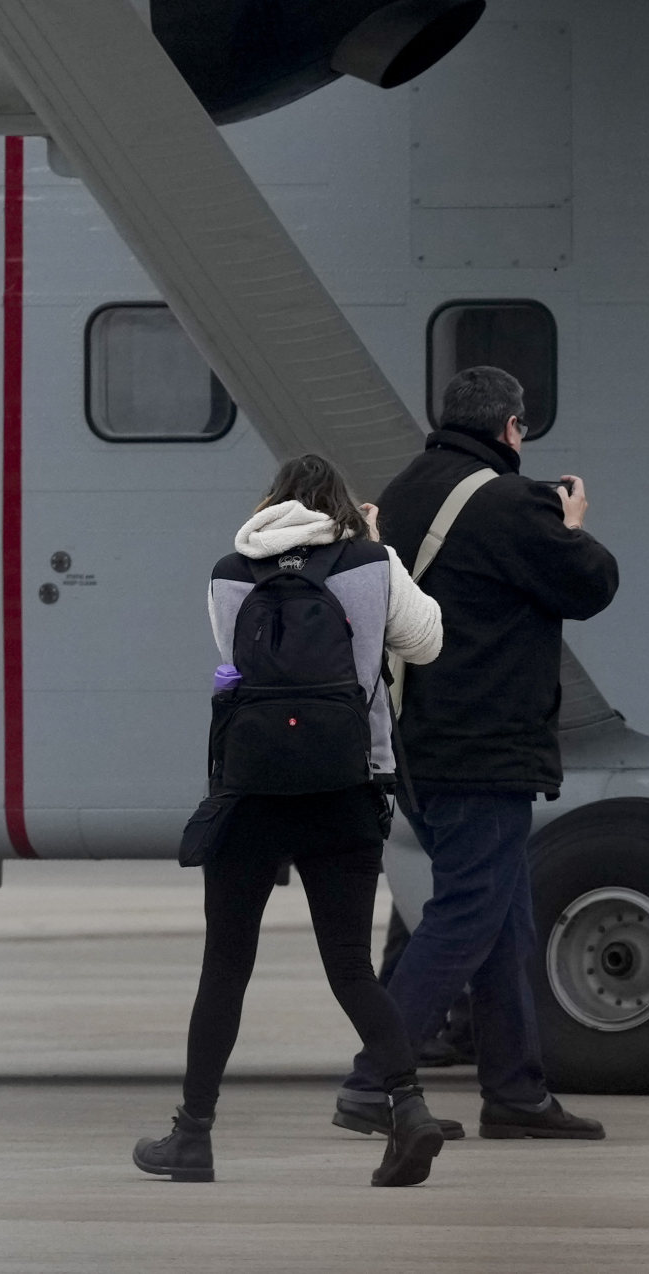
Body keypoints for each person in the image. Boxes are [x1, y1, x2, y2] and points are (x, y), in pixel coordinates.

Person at [135, 451, 450, 1189]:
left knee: (226, 964)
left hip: (251, 791)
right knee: (348, 966)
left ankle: (193, 1137)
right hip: (347, 787)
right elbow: (426, 641)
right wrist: (380, 549)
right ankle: (409, 1111)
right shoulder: (369, 563)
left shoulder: (228, 571)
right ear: (341, 505)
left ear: (269, 503)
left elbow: (234, 664)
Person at [331, 364, 622, 1142]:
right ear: (511, 428)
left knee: (503, 919)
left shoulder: (399, 498)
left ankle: (517, 1094)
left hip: (413, 742)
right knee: (467, 912)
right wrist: (572, 526)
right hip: (483, 746)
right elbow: (591, 585)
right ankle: (373, 1080)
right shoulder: (513, 504)